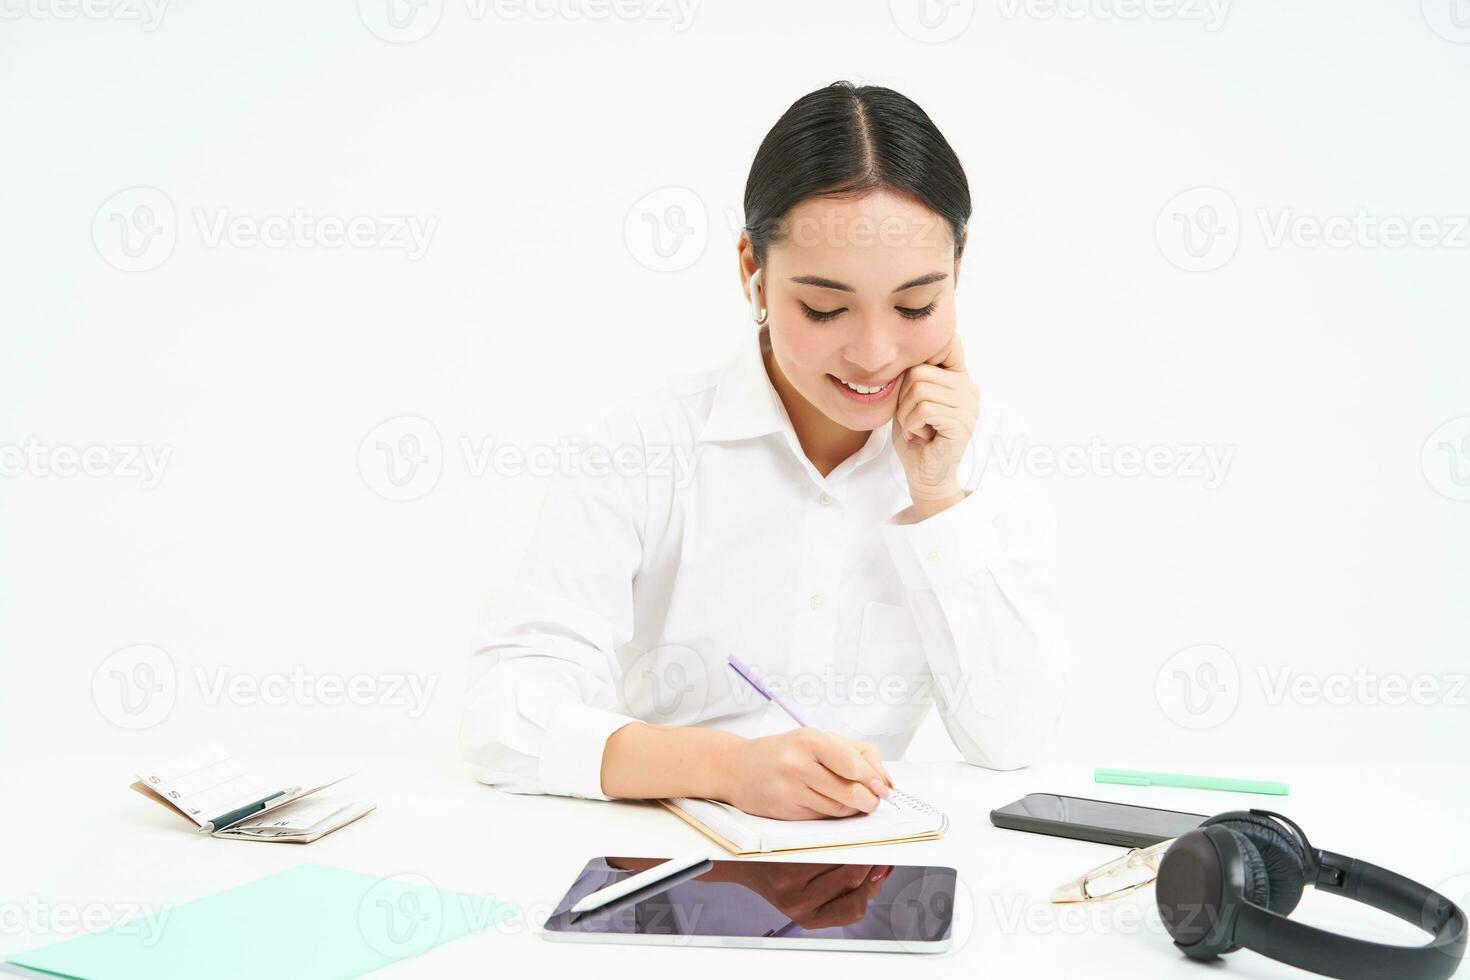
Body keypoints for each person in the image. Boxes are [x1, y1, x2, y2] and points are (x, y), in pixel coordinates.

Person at [460, 80, 1065, 821]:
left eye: (916, 306)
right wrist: (728, 769)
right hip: (669, 859)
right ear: (752, 271)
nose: (875, 354)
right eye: (824, 307)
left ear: (959, 269)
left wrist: (938, 499)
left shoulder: (987, 452)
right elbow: (503, 716)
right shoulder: (644, 447)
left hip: (877, 865)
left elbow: (1013, 738)